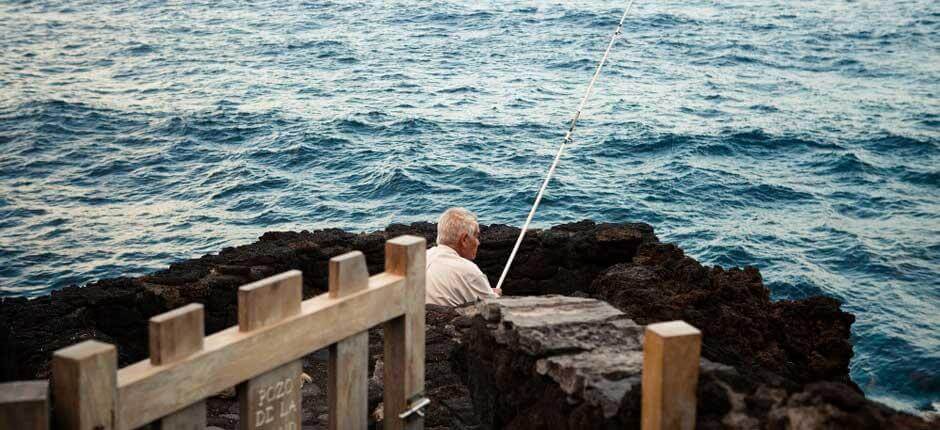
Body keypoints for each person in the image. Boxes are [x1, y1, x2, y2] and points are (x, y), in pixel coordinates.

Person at [425, 207, 502, 306]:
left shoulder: (423, 256)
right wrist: (495, 296)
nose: (478, 243)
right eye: (476, 236)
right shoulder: (468, 271)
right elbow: (493, 309)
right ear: (464, 240)